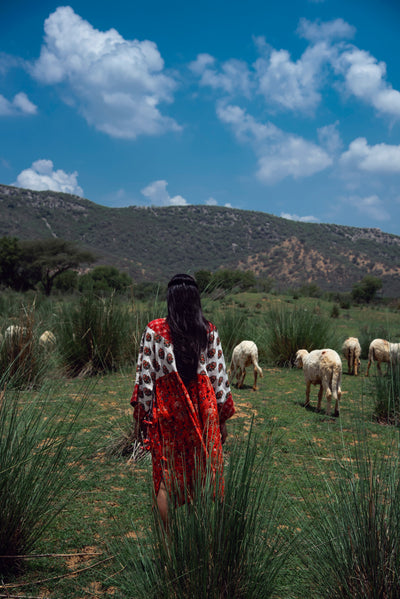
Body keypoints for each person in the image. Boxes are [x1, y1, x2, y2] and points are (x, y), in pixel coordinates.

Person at [130, 273, 235, 525]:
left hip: (169, 406)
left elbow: (145, 380)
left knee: (165, 479)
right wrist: (221, 421)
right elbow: (218, 379)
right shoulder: (208, 330)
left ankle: (167, 552)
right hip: (204, 405)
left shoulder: (154, 330)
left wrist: (140, 419)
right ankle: (202, 541)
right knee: (203, 471)